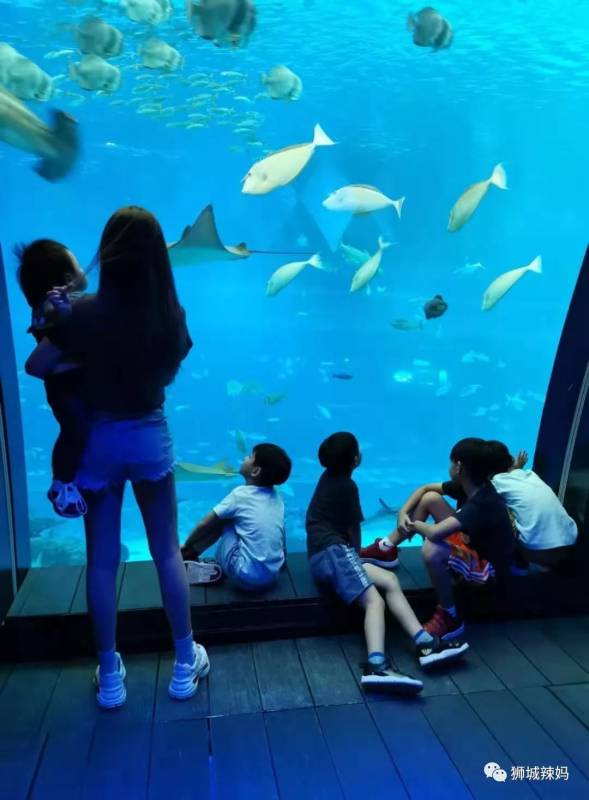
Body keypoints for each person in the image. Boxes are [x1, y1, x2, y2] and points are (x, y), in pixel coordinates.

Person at [24, 207, 206, 709]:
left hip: (98, 442)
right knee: (167, 552)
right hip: (148, 435)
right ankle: (184, 663)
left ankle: (109, 675)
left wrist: (73, 341)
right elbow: (173, 362)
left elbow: (39, 364)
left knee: (102, 562)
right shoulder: (169, 314)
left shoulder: (83, 313)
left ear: (109, 254)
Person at [306, 431, 469, 694]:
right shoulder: (347, 486)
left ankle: (425, 643)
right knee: (374, 601)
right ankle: (376, 665)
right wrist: (355, 556)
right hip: (334, 553)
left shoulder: (329, 478)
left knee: (389, 580)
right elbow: (353, 530)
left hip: (328, 555)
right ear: (355, 459)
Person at [360, 438, 517, 640]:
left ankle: (449, 615)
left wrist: (413, 524)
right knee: (430, 499)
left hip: (488, 569)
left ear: (459, 467)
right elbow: (425, 489)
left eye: (452, 462)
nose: (449, 466)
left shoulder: (481, 503)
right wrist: (403, 512)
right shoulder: (470, 485)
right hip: (472, 543)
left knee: (432, 549)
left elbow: (434, 533)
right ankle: (386, 548)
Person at [19, 239, 89, 517]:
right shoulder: (52, 305)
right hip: (65, 384)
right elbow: (55, 318)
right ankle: (62, 483)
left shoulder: (49, 305)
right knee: (75, 430)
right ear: (68, 278)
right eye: (79, 265)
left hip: (65, 383)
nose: (84, 270)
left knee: (74, 430)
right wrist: (64, 313)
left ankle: (65, 480)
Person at [182, 443, 292, 590]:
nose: (245, 457)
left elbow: (205, 524)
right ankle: (207, 560)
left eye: (250, 456)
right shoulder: (278, 498)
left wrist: (187, 543)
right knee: (237, 520)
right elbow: (281, 535)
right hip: (272, 575)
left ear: (255, 471)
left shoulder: (240, 495)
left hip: (243, 575)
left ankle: (190, 554)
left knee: (223, 519)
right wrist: (282, 561)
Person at [486, 441, 578, 570]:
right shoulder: (530, 474)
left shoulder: (495, 483)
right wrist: (517, 467)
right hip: (570, 542)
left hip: (537, 552)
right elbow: (511, 478)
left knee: (493, 506)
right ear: (510, 460)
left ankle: (518, 564)